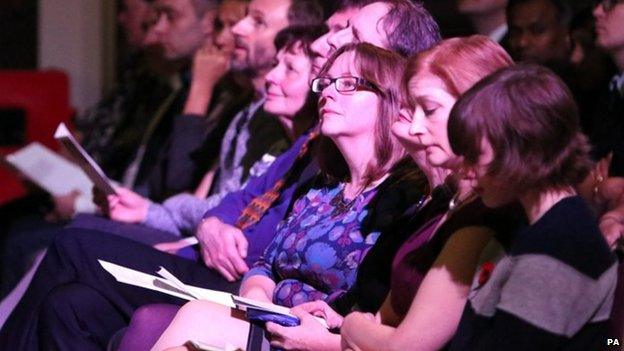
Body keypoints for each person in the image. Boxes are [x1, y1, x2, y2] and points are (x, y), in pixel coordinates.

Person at [148, 42, 409, 351]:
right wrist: (258, 300)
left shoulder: (400, 197)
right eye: (324, 83)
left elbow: (375, 309)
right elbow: (265, 264)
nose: (327, 93)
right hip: (273, 319)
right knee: (193, 316)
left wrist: (323, 336)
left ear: (390, 100)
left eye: (349, 84)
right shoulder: (323, 188)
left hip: (322, 338)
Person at [338, 35, 517, 351]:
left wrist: (351, 326)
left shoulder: (485, 216)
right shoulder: (449, 203)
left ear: (481, 109)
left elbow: (405, 347)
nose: (416, 126)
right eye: (413, 108)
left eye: (430, 109)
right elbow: (387, 319)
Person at [447, 64, 617, 350]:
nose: (464, 170)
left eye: (474, 155)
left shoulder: (559, 247)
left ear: (524, 150)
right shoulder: (536, 225)